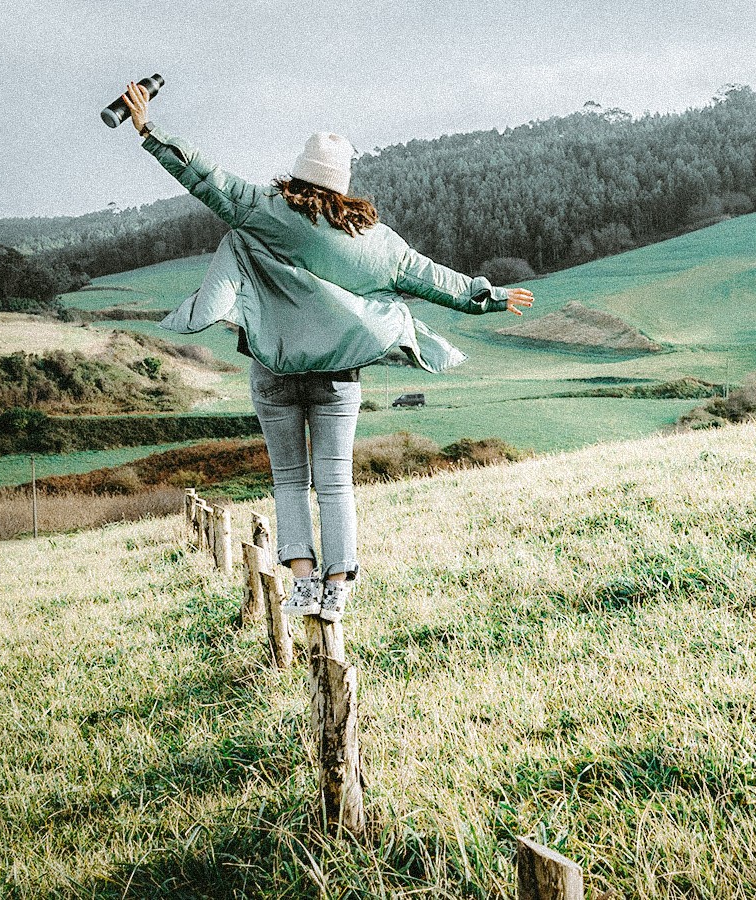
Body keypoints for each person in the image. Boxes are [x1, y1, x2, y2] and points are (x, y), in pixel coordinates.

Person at [120, 81, 534, 623]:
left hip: (273, 369)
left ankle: (301, 583)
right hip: (339, 375)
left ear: (297, 173)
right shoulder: (379, 243)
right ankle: (337, 587)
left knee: (289, 479)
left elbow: (202, 174)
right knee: (334, 479)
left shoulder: (263, 211)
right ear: (344, 184)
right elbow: (442, 282)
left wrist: (148, 129)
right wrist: (494, 298)